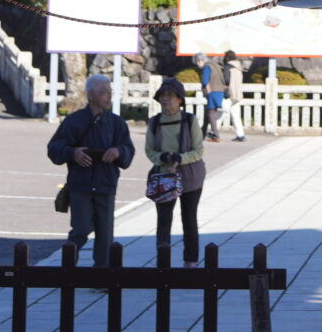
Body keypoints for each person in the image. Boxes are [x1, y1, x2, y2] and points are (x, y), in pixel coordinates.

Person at [46, 71, 132, 259]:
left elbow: (128, 148)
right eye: (103, 92)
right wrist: (73, 153)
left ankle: (102, 276)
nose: (108, 96)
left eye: (110, 92)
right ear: (90, 95)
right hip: (81, 184)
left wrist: (118, 151)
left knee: (105, 234)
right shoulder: (74, 121)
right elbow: (54, 148)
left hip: (106, 183)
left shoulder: (117, 123)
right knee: (81, 229)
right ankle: (69, 268)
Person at [145, 78, 207, 264]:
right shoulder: (154, 123)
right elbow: (149, 150)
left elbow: (198, 150)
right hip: (164, 177)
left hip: (190, 176)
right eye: (162, 96)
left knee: (189, 219)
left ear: (180, 99)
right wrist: (163, 158)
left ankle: (191, 261)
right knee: (163, 221)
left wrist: (180, 158)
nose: (166, 100)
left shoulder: (189, 120)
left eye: (170, 96)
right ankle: (163, 262)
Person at [218, 50, 247, 142]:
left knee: (220, 111)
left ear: (227, 58)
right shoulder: (238, 68)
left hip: (230, 94)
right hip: (238, 94)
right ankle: (240, 134)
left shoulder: (228, 67)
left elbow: (226, 80)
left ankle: (214, 132)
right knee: (235, 115)